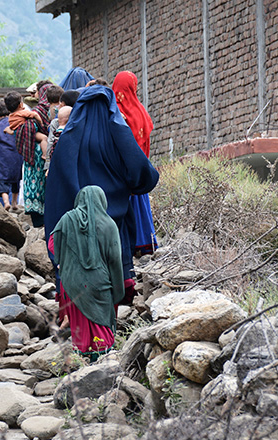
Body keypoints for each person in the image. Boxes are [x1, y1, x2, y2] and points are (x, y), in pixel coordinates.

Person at [44, 85, 159, 320]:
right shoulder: (119, 135)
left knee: (81, 270)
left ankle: (83, 331)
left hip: (79, 220)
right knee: (111, 269)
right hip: (113, 218)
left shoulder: (68, 139)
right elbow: (142, 171)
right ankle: (107, 329)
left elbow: (56, 185)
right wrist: (129, 186)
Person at [49, 186, 125, 360]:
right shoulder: (108, 224)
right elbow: (114, 260)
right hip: (99, 282)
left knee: (80, 323)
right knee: (101, 321)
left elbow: (52, 243)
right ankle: (102, 358)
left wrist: (65, 260)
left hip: (71, 281)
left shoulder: (67, 219)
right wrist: (118, 289)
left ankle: (82, 358)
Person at [112, 70, 158, 257]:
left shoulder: (113, 110)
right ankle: (144, 242)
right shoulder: (140, 111)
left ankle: (124, 245)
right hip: (140, 169)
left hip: (119, 169)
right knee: (139, 201)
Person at [6, 87, 50, 227]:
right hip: (37, 158)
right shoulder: (33, 114)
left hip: (29, 157)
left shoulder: (13, 117)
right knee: (39, 185)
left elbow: (12, 130)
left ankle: (38, 220)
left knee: (34, 184)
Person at [0, 99, 23, 211]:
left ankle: (6, 202)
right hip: (18, 156)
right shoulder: (17, 123)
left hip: (4, 158)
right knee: (16, 180)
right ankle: (14, 203)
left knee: (2, 181)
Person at [44, 105, 72, 173]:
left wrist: (48, 164)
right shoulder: (67, 132)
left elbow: (50, 145)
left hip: (56, 164)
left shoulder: (55, 131)